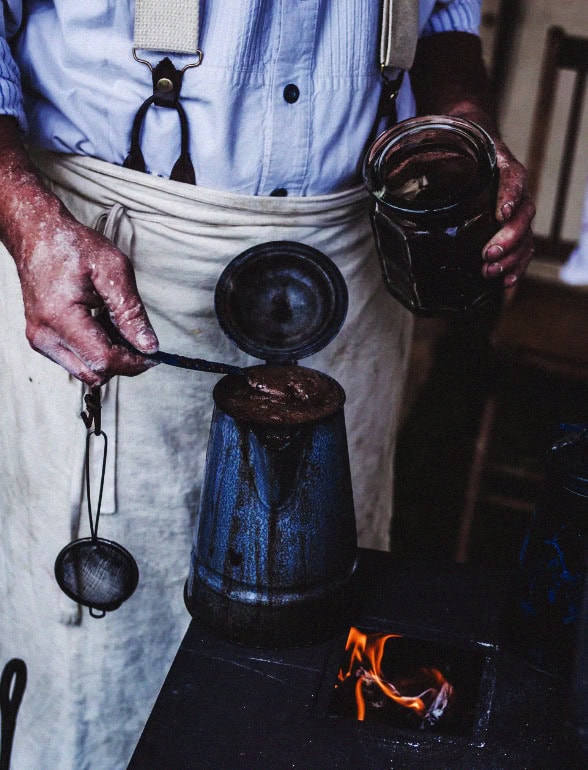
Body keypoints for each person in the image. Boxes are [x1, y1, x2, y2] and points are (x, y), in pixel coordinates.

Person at [0, 2, 535, 767]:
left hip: (353, 265)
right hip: (109, 263)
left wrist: (463, 121)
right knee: (107, 668)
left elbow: (445, 11)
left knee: (316, 661)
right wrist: (23, 215)